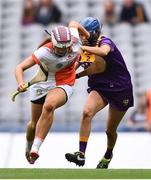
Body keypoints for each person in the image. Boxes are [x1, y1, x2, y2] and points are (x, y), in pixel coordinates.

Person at [65, 17, 134, 169]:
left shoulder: (105, 42)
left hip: (120, 89)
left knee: (110, 131)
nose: (82, 38)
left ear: (95, 33)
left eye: (85, 34)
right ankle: (81, 154)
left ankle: (108, 155)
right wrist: (70, 75)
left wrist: (83, 48)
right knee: (86, 112)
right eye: (81, 35)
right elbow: (87, 67)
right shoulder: (83, 46)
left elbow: (103, 52)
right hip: (100, 87)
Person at [15, 24, 89, 164]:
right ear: (53, 44)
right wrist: (20, 83)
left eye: (65, 47)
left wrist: (87, 36)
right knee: (33, 125)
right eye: (60, 48)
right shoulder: (43, 52)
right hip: (41, 85)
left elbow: (74, 23)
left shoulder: (74, 42)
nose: (63, 51)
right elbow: (20, 67)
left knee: (49, 106)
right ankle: (28, 148)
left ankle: (36, 148)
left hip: (64, 83)